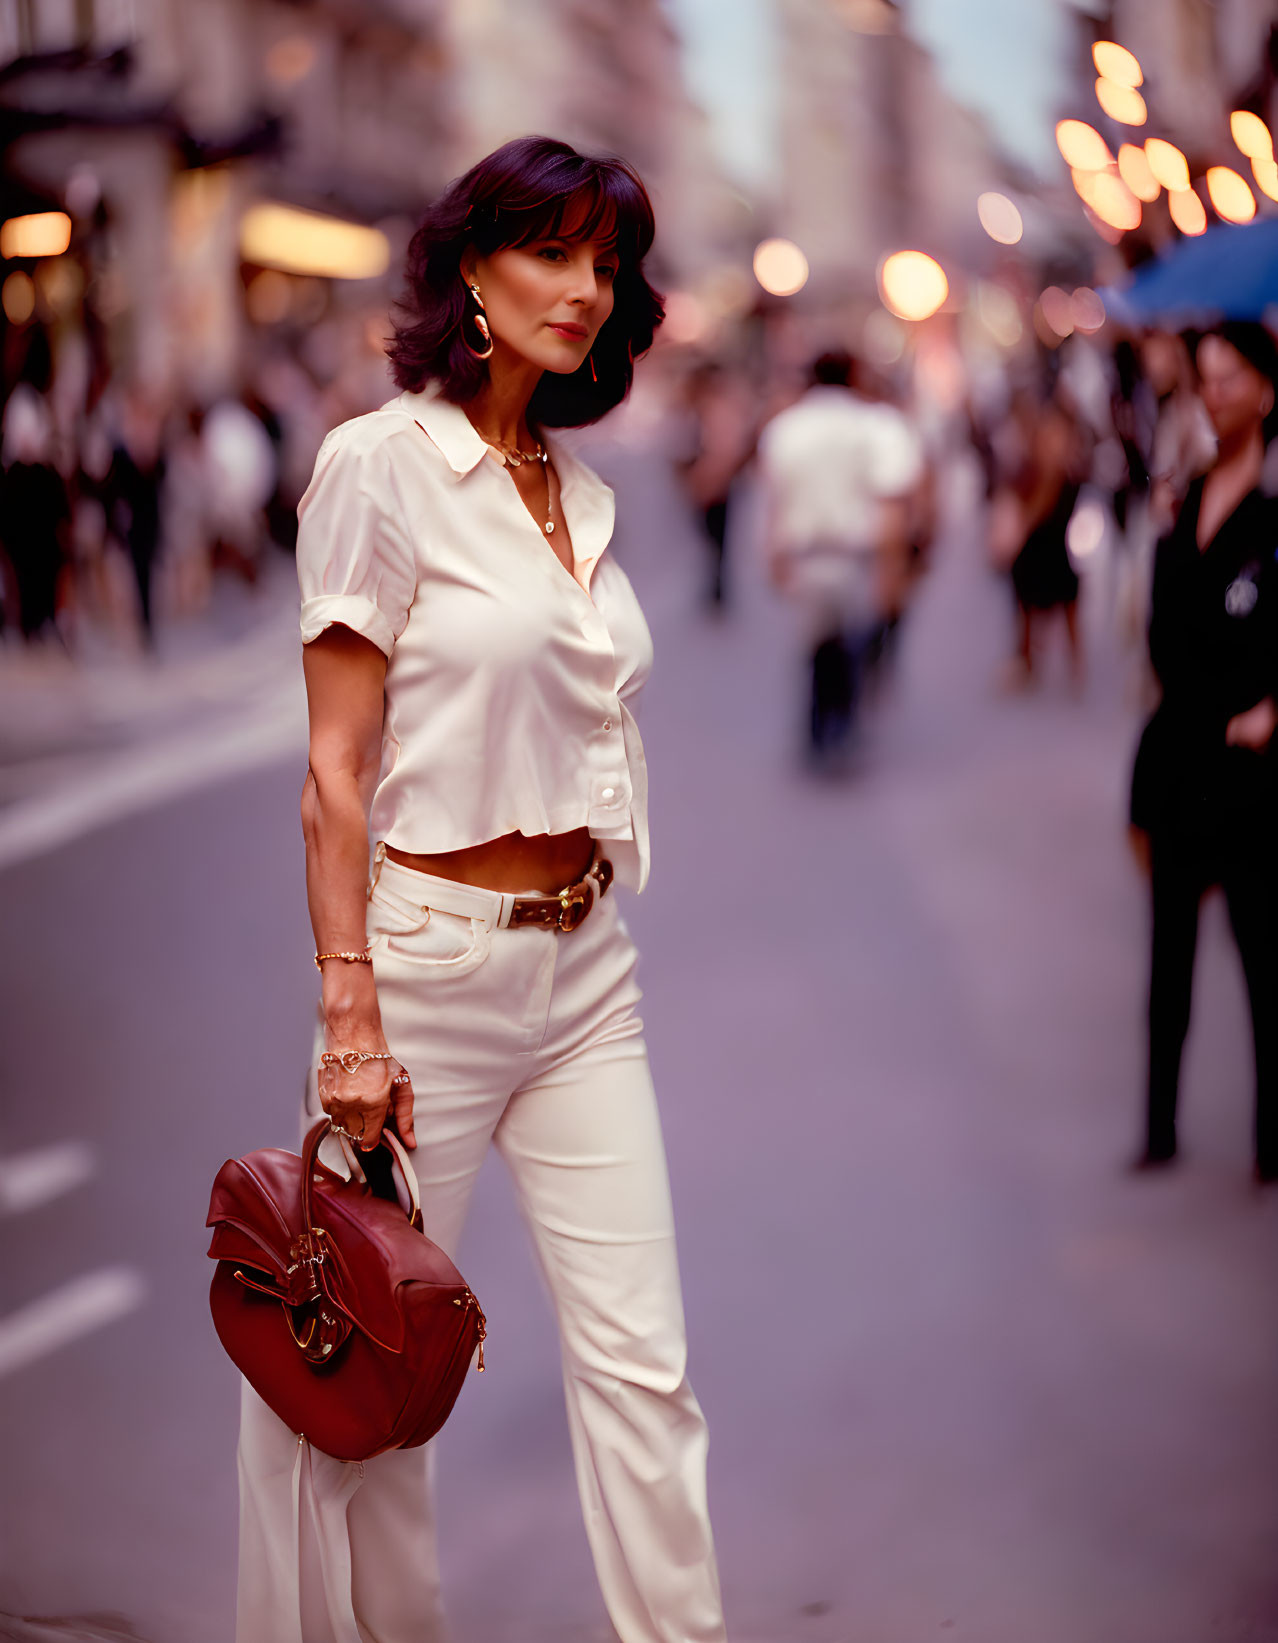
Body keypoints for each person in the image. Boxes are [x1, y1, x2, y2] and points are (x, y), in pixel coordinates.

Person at [235, 137, 726, 1643]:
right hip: (431, 968)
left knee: (643, 1367)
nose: (585, 289)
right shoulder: (382, 465)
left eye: (606, 264)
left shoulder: (572, 486)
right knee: (363, 1362)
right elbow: (335, 770)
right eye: (554, 252)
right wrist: (348, 1008)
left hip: (588, 970)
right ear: (470, 265)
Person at [1129, 322, 1278, 1183]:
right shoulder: (1184, 493)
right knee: (1168, 953)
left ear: (1266, 388)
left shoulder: (1276, 502)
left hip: (1250, 765)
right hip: (1180, 749)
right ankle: (1158, 1127)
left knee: (1262, 955)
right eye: (1206, 381)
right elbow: (1160, 631)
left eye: (1230, 380)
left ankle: (1269, 1143)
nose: (1214, 395)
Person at [758, 349, 922, 769]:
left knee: (816, 646)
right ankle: (840, 728)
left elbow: (776, 500)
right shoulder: (876, 426)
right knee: (849, 645)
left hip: (808, 556)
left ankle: (818, 729)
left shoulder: (785, 428)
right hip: (857, 557)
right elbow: (892, 505)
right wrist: (893, 568)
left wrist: (774, 556)